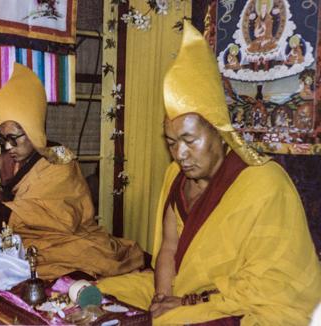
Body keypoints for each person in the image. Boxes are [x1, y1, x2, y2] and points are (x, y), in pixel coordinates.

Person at [97, 22, 321, 325]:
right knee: (103, 292)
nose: (180, 155)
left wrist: (187, 303)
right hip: (185, 289)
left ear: (219, 131)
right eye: (172, 143)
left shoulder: (264, 183)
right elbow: (168, 248)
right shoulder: (175, 176)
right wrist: (161, 300)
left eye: (190, 141)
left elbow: (271, 282)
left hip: (252, 301)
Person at [0, 63, 144, 279]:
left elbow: (64, 216)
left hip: (58, 235)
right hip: (18, 231)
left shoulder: (58, 160)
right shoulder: (8, 159)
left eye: (13, 139)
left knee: (89, 256)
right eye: (3, 139)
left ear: (33, 131)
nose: (8, 147)